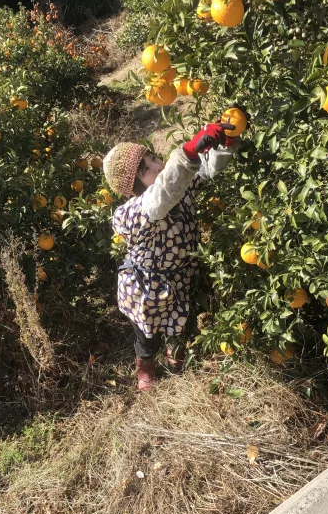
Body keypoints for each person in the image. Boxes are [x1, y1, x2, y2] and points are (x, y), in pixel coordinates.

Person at [102, 121, 240, 391]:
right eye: (146, 169)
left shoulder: (178, 184)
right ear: (134, 188)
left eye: (153, 157)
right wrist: (187, 152)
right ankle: (145, 367)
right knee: (147, 335)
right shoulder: (132, 212)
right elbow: (160, 197)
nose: (157, 165)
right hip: (145, 287)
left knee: (179, 323)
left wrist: (225, 143)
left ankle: (175, 355)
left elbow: (204, 169)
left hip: (178, 276)